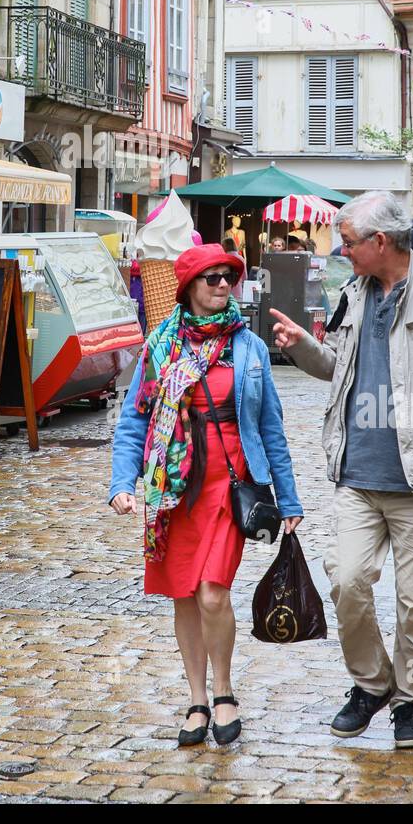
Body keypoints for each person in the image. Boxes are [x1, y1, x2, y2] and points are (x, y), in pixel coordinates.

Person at [270, 190, 413, 751]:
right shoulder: (352, 294)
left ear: (380, 242)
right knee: (347, 581)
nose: (341, 252)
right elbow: (336, 368)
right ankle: (371, 685)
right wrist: (300, 348)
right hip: (357, 474)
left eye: (347, 243)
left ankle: (411, 701)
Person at [109, 243, 304, 748]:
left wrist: (290, 498)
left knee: (213, 593)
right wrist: (121, 484)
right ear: (189, 287)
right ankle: (196, 700)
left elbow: (271, 427)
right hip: (173, 489)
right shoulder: (161, 346)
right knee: (184, 598)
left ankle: (224, 692)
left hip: (230, 485)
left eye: (228, 278)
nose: (223, 285)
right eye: (212, 278)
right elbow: (135, 419)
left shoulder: (249, 348)